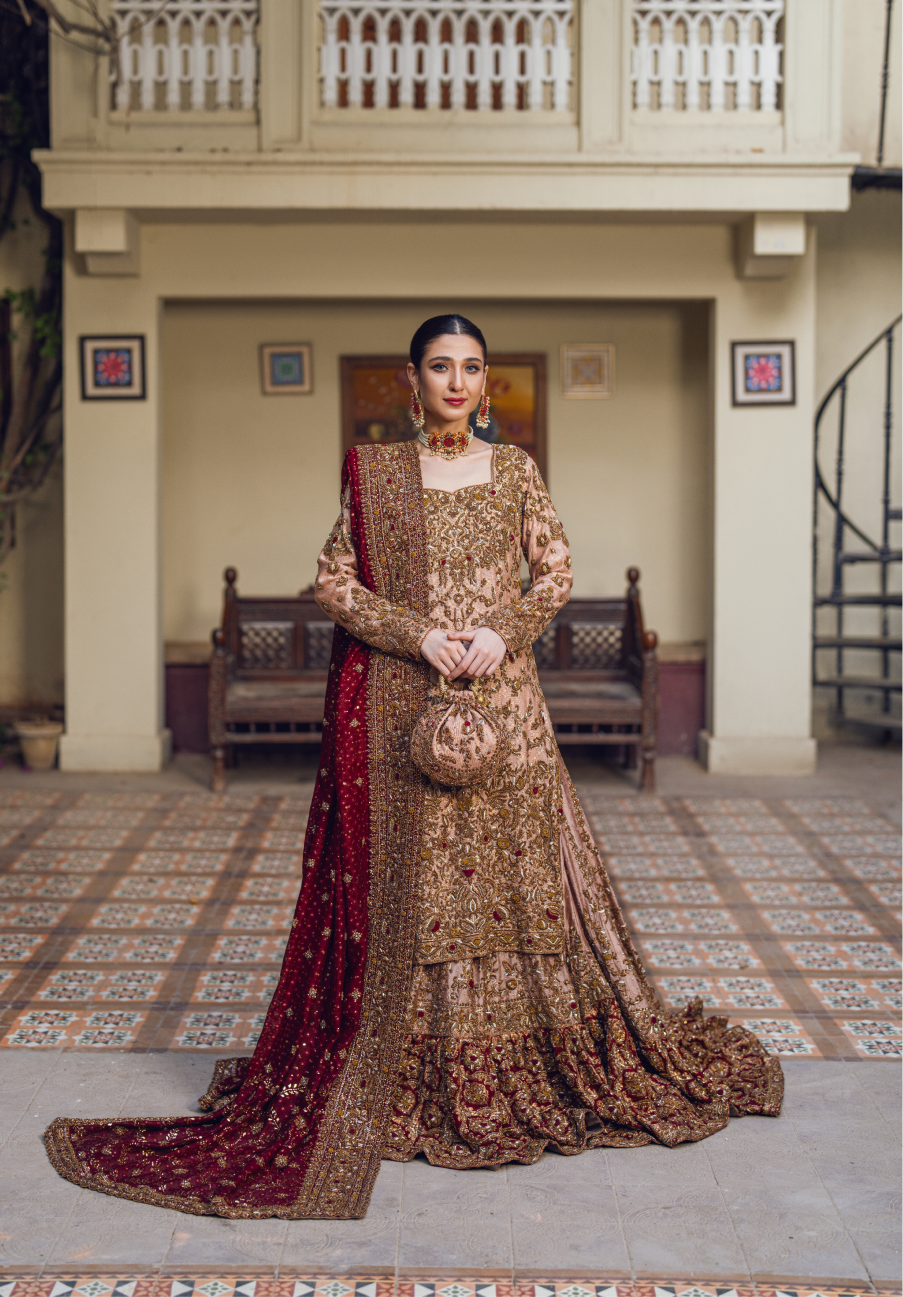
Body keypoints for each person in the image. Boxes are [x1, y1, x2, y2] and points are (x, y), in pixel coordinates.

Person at [45, 313, 782, 1220]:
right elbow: (335, 580)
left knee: (523, 881)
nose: (459, 383)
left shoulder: (513, 471)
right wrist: (421, 634)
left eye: (473, 368)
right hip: (406, 705)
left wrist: (496, 633)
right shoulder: (377, 474)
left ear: (487, 381)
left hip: (504, 708)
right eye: (442, 367)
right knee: (417, 887)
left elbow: (553, 574)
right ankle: (406, 1073)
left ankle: (525, 1060)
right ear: (412, 379)